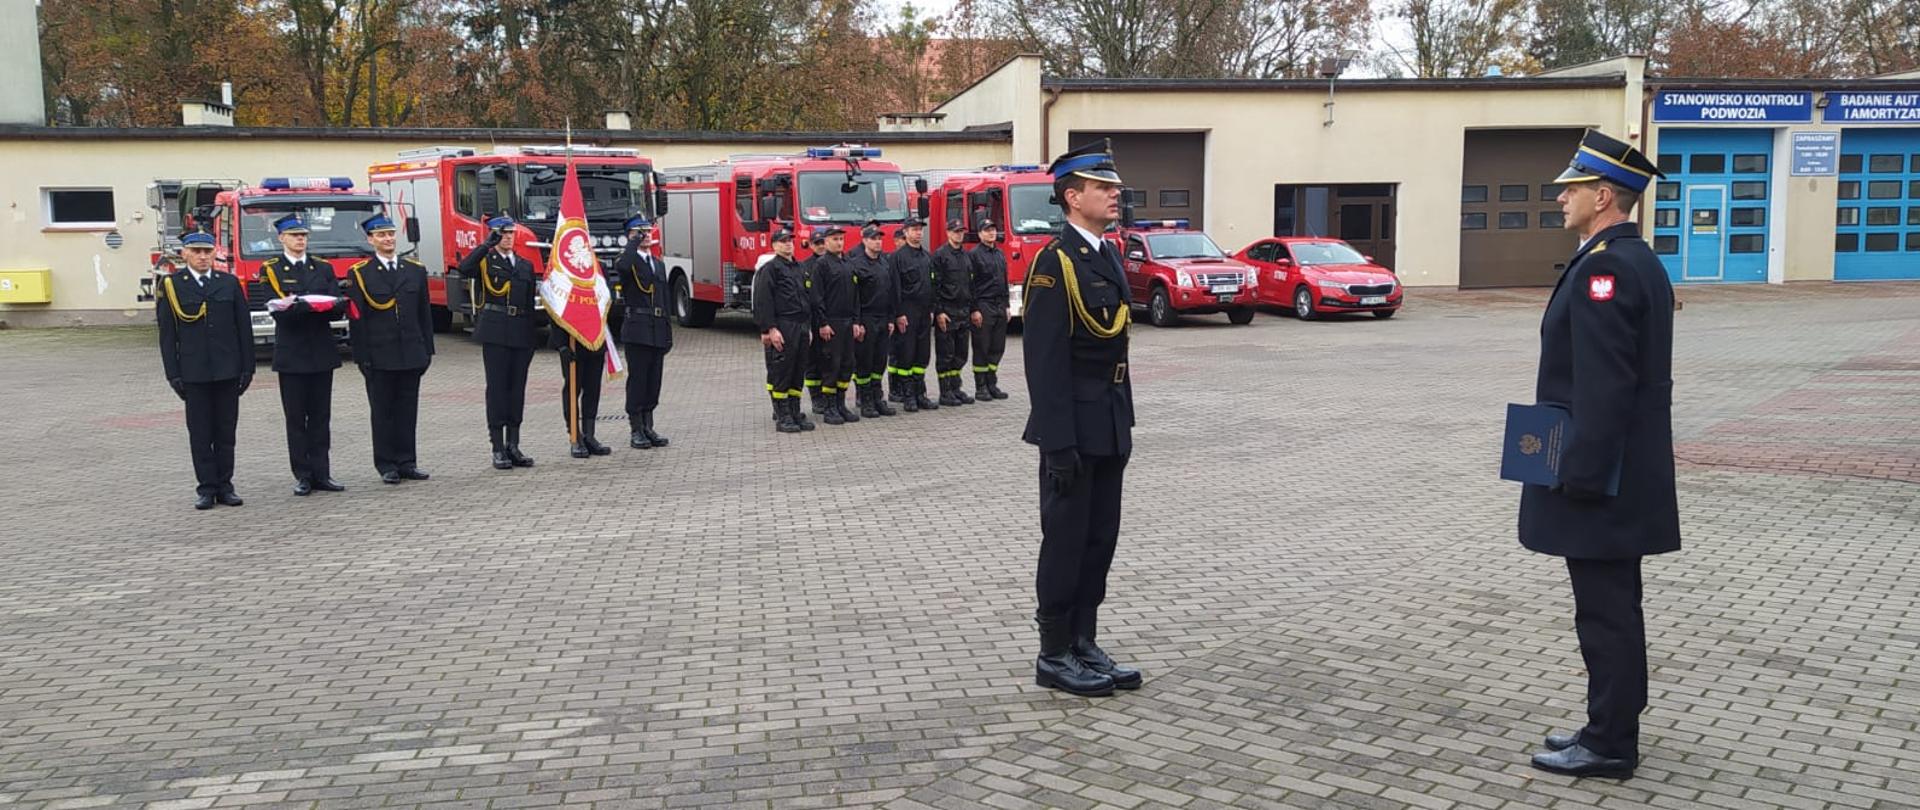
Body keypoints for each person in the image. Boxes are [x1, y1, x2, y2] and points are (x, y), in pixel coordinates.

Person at [1523, 129, 1680, 780]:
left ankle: (1610, 742)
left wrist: (1578, 479)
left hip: (1602, 480)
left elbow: (1606, 388)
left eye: (1573, 189)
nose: (1562, 199)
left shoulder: (1607, 270)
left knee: (1605, 613)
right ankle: (1608, 724)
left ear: (1605, 196)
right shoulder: (1631, 259)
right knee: (1616, 606)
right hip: (1621, 476)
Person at [1022, 140, 1138, 697]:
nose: (1115, 194)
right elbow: (1044, 363)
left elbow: (1117, 346)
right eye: (1103, 187)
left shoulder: (1106, 253)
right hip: (1072, 429)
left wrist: (1124, 423)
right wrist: (1056, 443)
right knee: (1065, 541)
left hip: (1110, 422)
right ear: (1073, 196)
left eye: (1113, 186)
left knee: (1099, 540)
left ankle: (1085, 641)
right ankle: (1053, 653)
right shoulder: (1055, 261)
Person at [156, 230, 253, 510]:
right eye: (196, 252)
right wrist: (173, 374)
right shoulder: (173, 286)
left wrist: (247, 368)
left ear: (214, 254)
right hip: (193, 371)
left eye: (207, 252)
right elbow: (167, 335)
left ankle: (225, 485)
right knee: (200, 433)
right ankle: (206, 488)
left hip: (227, 369)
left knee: (225, 431)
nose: (202, 257)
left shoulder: (228, 283)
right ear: (184, 254)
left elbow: (243, 329)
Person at [343, 215, 434, 485]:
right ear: (370, 240)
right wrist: (362, 356)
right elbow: (357, 320)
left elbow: (423, 314)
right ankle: (386, 464)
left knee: (408, 411)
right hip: (379, 355)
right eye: (381, 235)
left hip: (411, 352)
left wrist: (427, 350)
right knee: (383, 412)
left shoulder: (414, 270)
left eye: (391, 234)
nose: (388, 239)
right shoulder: (360, 273)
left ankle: (407, 461)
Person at [260, 214, 344, 495]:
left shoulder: (322, 267)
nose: (300, 240)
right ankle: (303, 474)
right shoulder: (271, 268)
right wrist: (311, 306)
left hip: (321, 350)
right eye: (294, 235)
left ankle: (322, 473)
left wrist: (304, 305)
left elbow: (336, 306)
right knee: (296, 419)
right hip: (292, 354)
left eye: (304, 235)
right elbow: (279, 310)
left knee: (321, 418)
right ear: (281, 238)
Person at [460, 215, 538, 470]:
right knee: (497, 389)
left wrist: (532, 337)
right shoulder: (485, 260)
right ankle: (497, 446)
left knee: (517, 389)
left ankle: (513, 443)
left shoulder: (525, 265)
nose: (507, 237)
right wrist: (485, 245)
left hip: (519, 331)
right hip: (495, 331)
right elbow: (465, 268)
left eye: (510, 233)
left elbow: (528, 303)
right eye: (501, 233)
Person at [611, 215, 673, 449]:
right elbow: (623, 266)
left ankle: (649, 425)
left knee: (653, 380)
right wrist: (633, 243)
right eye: (640, 231)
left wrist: (668, 330)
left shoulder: (657, 263)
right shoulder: (627, 259)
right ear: (630, 234)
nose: (646, 235)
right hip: (638, 327)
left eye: (647, 231)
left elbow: (664, 297)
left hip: (657, 327)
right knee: (638, 379)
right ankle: (636, 428)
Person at [752, 228, 816, 434]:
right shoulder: (770, 270)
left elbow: (807, 299)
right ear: (774, 245)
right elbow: (764, 301)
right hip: (783, 325)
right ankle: (783, 416)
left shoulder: (799, 268)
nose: (788, 244)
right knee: (782, 371)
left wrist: (809, 327)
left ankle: (795, 411)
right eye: (783, 241)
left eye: (790, 240)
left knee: (798, 371)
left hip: (801, 326)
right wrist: (770, 329)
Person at [807, 227, 862, 425]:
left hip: (848, 322)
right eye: (834, 239)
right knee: (832, 365)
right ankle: (829, 407)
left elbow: (856, 296)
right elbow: (816, 297)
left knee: (847, 364)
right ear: (826, 241)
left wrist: (856, 321)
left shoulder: (847, 263)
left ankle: (840, 404)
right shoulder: (821, 265)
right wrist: (823, 323)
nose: (839, 242)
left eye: (841, 239)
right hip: (832, 322)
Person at [848, 223, 904, 419]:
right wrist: (857, 322)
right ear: (864, 240)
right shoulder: (856, 264)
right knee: (865, 362)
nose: (878, 242)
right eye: (873, 239)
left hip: (882, 319)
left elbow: (890, 293)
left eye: (880, 239)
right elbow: (853, 297)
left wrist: (891, 318)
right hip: (866, 319)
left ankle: (878, 398)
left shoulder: (885, 263)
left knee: (880, 362)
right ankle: (865, 402)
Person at [889, 215, 936, 412]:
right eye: (914, 229)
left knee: (922, 354)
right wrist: (898, 314)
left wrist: (933, 310)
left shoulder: (926, 256)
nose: (918, 232)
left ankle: (920, 393)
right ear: (906, 232)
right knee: (906, 354)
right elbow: (894, 288)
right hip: (907, 311)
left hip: (924, 312)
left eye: (920, 229)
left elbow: (933, 285)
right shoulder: (898, 257)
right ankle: (908, 395)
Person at [930, 219, 975, 407]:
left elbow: (971, 284)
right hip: (947, 312)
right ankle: (945, 392)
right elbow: (935, 286)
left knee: (960, 354)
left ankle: (956, 388)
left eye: (961, 231)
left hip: (963, 312)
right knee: (945, 355)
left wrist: (972, 310)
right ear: (948, 233)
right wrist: (939, 311)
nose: (959, 234)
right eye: (955, 231)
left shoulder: (966, 256)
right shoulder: (940, 256)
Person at [970, 219, 1012, 402]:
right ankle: (981, 387)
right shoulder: (974, 255)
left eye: (993, 230)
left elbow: (1004, 281)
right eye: (987, 230)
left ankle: (992, 383)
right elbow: (970, 285)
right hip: (983, 305)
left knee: (997, 347)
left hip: (999, 305)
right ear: (979, 234)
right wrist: (975, 309)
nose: (991, 233)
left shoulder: (999, 254)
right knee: (982, 346)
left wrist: (1007, 305)